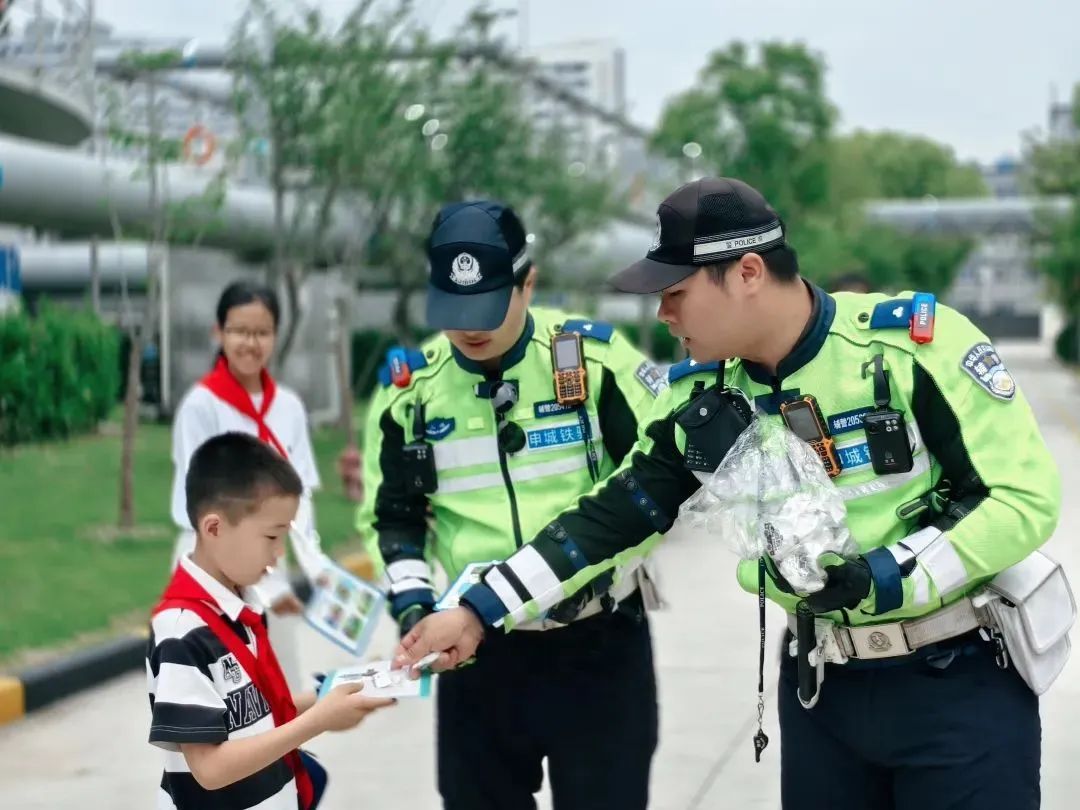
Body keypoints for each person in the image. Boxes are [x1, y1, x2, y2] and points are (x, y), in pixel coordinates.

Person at [396, 178, 1061, 810]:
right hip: (822, 692)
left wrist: (886, 577)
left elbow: (1019, 498)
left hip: (955, 681)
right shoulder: (705, 396)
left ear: (746, 273)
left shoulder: (912, 349)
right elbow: (610, 517)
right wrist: (478, 610)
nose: (662, 313)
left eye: (676, 293)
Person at [356, 199, 670, 810]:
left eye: (488, 307)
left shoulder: (595, 364)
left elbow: (655, 488)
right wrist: (415, 609)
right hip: (479, 658)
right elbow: (394, 521)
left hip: (597, 644)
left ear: (528, 284)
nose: (470, 329)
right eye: (454, 311)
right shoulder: (410, 396)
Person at [147, 432, 394, 810]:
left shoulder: (239, 606)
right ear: (214, 529)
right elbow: (210, 768)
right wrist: (318, 720)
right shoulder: (181, 631)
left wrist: (335, 694)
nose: (279, 554)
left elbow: (257, 716)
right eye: (272, 537)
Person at [169, 280, 322, 689]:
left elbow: (301, 493)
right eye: (239, 331)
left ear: (275, 335)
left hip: (270, 560)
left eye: (261, 332)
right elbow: (207, 505)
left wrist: (315, 565)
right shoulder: (200, 406)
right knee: (216, 694)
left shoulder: (288, 407)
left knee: (283, 689)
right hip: (211, 565)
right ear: (218, 333)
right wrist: (266, 584)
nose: (250, 343)